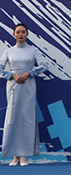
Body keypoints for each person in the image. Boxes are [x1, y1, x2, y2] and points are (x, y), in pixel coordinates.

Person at [0, 24, 49, 166]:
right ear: (14, 34)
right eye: (18, 32)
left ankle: (24, 155)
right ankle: (14, 155)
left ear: (27, 34)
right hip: (13, 86)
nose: (20, 34)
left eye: (23, 32)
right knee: (13, 118)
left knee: (27, 118)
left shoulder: (33, 50)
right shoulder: (8, 51)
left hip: (28, 85)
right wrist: (12, 75)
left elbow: (44, 65)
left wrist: (29, 73)